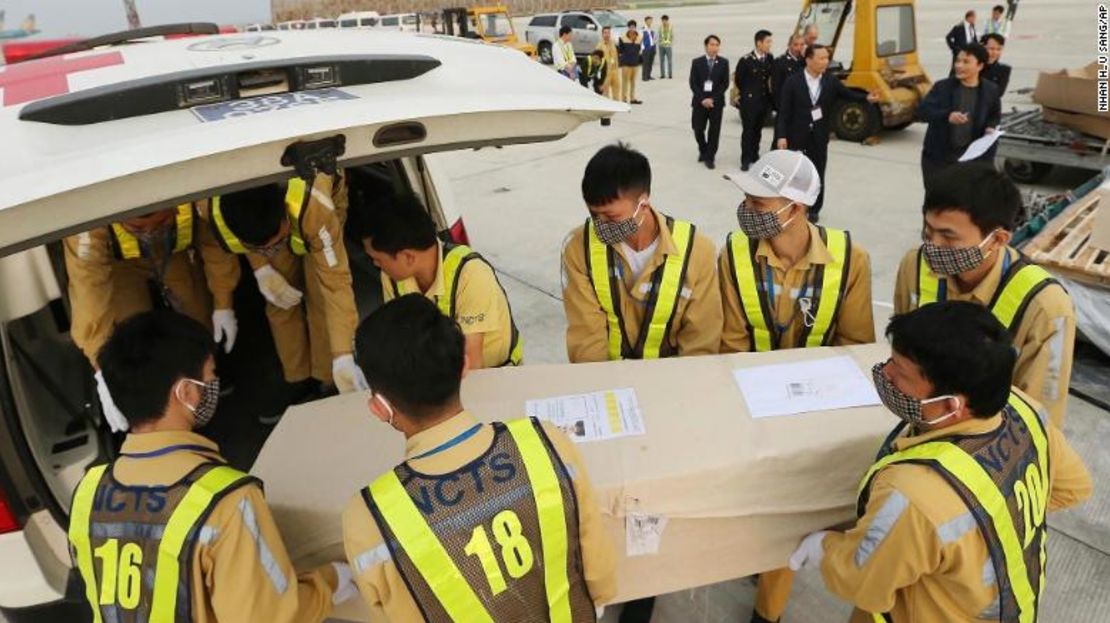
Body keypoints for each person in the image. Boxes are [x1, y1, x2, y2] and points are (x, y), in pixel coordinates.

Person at [789, 301, 1091, 622]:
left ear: (950, 405)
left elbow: (862, 582)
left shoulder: (914, 496)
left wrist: (825, 550)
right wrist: (988, 525)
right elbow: (1074, 487)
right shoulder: (1023, 409)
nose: (885, 374)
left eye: (900, 373)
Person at [341, 294, 617, 622]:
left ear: (380, 408)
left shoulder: (368, 517)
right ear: (464, 366)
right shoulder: (548, 442)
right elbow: (598, 572)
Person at [69, 310, 356, 623]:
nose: (212, 385)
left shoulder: (88, 492)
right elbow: (266, 617)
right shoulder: (224, 502)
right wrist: (329, 582)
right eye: (209, 376)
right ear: (186, 392)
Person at [562, 143, 720, 622]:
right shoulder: (580, 248)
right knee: (602, 495)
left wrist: (670, 413)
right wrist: (606, 413)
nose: (602, 226)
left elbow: (702, 341)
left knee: (657, 497)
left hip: (669, 396)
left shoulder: (697, 250)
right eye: (593, 215)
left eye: (610, 214)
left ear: (643, 203)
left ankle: (646, 587)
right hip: (607, 398)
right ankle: (606, 576)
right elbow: (587, 339)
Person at [720, 150, 874, 623]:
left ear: (797, 209)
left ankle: (767, 612)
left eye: (760, 203)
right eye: (747, 199)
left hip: (817, 411)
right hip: (751, 403)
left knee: (792, 518)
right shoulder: (735, 253)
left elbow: (855, 347)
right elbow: (730, 341)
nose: (748, 210)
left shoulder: (850, 260)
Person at [893, 163, 1076, 425]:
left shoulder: (1046, 307)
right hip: (921, 419)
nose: (933, 247)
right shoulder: (914, 266)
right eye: (928, 231)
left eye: (948, 236)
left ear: (998, 239)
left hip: (993, 438)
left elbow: (1040, 413)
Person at [65, 206, 240, 431]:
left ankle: (203, 381)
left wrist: (223, 303)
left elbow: (215, 245)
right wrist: (102, 368)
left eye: (159, 223)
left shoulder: (194, 201)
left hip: (172, 252)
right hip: (120, 266)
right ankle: (159, 413)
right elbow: (88, 289)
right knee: (133, 340)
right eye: (138, 227)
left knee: (197, 317)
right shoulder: (89, 226)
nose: (148, 231)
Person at [203, 173, 366, 409]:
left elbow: (335, 282)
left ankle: (327, 377)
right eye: (264, 248)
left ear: (284, 218)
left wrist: (343, 355)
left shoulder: (316, 207)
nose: (274, 250)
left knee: (320, 296)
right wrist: (261, 267)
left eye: (277, 243)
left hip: (319, 216)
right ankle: (296, 377)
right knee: (279, 298)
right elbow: (228, 245)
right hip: (266, 226)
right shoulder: (211, 209)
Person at [351, 193, 523, 369]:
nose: (375, 264)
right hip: (441, 372)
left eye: (378, 259)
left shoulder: (471, 273)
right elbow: (401, 338)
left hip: (496, 373)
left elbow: (472, 361)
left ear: (408, 257)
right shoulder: (392, 278)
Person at [775, 44, 879, 221]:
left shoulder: (830, 81)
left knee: (817, 173)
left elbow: (848, 94)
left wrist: (866, 98)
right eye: (821, 58)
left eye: (827, 58)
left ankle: (814, 208)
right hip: (796, 135)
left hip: (819, 136)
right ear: (808, 60)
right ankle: (792, 205)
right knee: (796, 174)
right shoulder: (793, 81)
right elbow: (784, 112)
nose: (826, 62)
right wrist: (781, 136)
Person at [917, 43, 1001, 190]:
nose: (959, 65)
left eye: (966, 62)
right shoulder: (942, 87)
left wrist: (990, 127)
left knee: (965, 205)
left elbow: (994, 114)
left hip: (971, 160)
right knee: (937, 204)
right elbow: (922, 112)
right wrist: (947, 116)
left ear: (980, 66)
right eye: (957, 61)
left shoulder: (990, 90)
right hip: (940, 160)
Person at [736, 30, 775, 171]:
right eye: (768, 42)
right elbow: (739, 80)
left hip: (763, 102)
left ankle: (754, 154)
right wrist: (747, 94)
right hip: (749, 103)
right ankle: (745, 159)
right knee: (748, 131)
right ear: (759, 43)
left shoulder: (769, 58)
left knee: (758, 131)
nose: (770, 44)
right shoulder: (746, 60)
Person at [689, 35, 730, 170]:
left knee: (714, 131)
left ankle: (710, 157)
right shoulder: (697, 62)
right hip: (700, 102)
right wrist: (703, 99)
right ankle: (703, 149)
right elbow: (693, 83)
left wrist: (712, 99)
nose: (715, 48)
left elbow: (724, 84)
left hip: (716, 103)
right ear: (706, 46)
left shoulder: (724, 62)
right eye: (712, 45)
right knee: (698, 128)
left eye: (717, 45)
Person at [771, 33, 806, 114]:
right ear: (789, 45)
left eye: (802, 45)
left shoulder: (807, 61)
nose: (799, 48)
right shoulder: (780, 62)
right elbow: (776, 88)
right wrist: (781, 108)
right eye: (795, 45)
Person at [617, 21, 643, 105]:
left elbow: (640, 51)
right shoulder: (623, 38)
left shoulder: (639, 38)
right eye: (630, 27)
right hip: (626, 64)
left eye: (633, 27)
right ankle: (623, 98)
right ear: (628, 28)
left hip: (635, 64)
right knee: (625, 82)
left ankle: (632, 98)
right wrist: (620, 62)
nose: (632, 28)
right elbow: (620, 51)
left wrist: (640, 62)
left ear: (635, 28)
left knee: (633, 82)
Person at [596, 25, 621, 100]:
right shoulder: (599, 46)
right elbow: (597, 61)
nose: (607, 35)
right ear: (602, 34)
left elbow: (616, 56)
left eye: (608, 33)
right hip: (605, 72)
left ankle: (616, 105)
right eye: (605, 33)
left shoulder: (613, 43)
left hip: (615, 71)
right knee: (605, 93)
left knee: (616, 90)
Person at [640, 16, 657, 81]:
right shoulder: (642, 30)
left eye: (651, 21)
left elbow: (654, 38)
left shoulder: (652, 29)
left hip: (652, 48)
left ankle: (648, 75)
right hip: (646, 48)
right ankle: (644, 77)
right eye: (649, 20)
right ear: (646, 21)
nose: (650, 22)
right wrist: (642, 48)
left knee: (650, 62)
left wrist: (654, 46)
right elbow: (640, 40)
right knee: (645, 63)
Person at [658, 15, 674, 79]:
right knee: (661, 61)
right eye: (663, 20)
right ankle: (662, 75)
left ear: (667, 20)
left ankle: (670, 74)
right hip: (661, 46)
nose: (664, 22)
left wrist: (670, 42)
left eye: (665, 20)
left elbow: (672, 36)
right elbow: (659, 35)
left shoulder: (670, 27)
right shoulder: (660, 27)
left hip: (668, 46)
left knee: (669, 61)